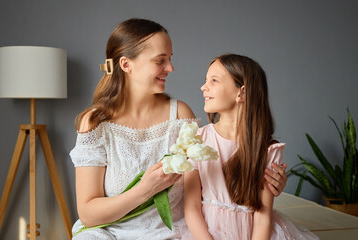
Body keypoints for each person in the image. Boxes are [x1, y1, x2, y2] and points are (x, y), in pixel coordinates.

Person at [70, 19, 287, 240]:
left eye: (170, 59)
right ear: (126, 65)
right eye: (160, 60)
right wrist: (144, 189)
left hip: (171, 234)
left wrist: (266, 182)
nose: (170, 68)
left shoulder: (181, 115)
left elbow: (212, 172)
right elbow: (88, 214)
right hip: (109, 233)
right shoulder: (96, 123)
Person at [183, 54, 319, 240]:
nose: (203, 87)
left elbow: (263, 216)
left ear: (242, 92)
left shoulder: (267, 150)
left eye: (214, 80)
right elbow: (191, 206)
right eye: (206, 80)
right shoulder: (197, 140)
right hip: (205, 233)